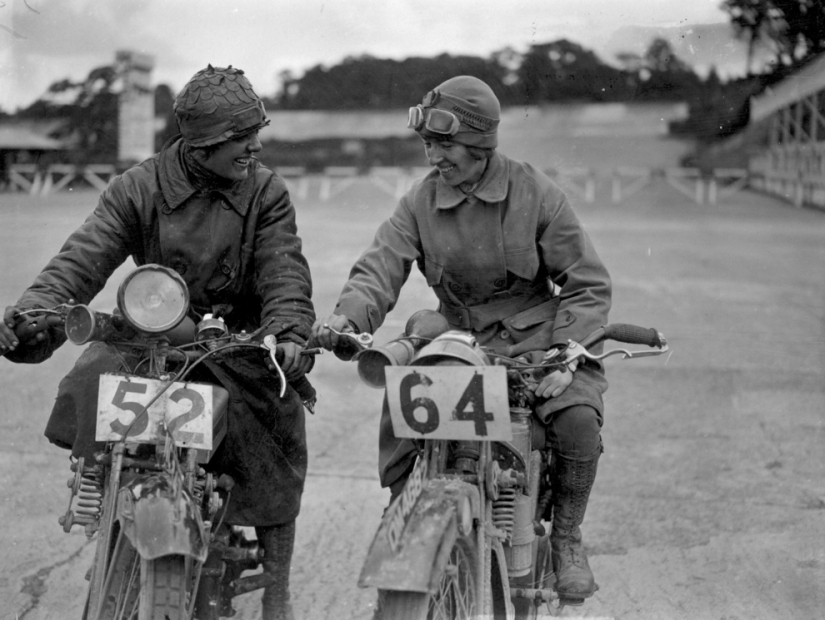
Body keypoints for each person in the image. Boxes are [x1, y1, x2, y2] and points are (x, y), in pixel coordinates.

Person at [0, 65, 313, 620]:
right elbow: (81, 258)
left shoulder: (267, 191)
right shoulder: (137, 186)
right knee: (91, 378)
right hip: (150, 338)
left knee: (277, 420)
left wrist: (287, 332)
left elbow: (284, 272)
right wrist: (33, 313)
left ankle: (278, 587)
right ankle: (103, 486)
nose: (254, 146)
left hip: (235, 346)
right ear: (203, 143)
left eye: (254, 133)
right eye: (241, 137)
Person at [312, 75, 611, 600]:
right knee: (408, 399)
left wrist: (567, 351)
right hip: (456, 334)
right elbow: (380, 265)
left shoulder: (536, 193)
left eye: (445, 144)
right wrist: (347, 321)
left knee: (578, 419)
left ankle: (565, 536)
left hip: (536, 341)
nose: (433, 156)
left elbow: (587, 285)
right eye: (428, 144)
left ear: (480, 144)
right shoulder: (419, 202)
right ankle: (407, 502)